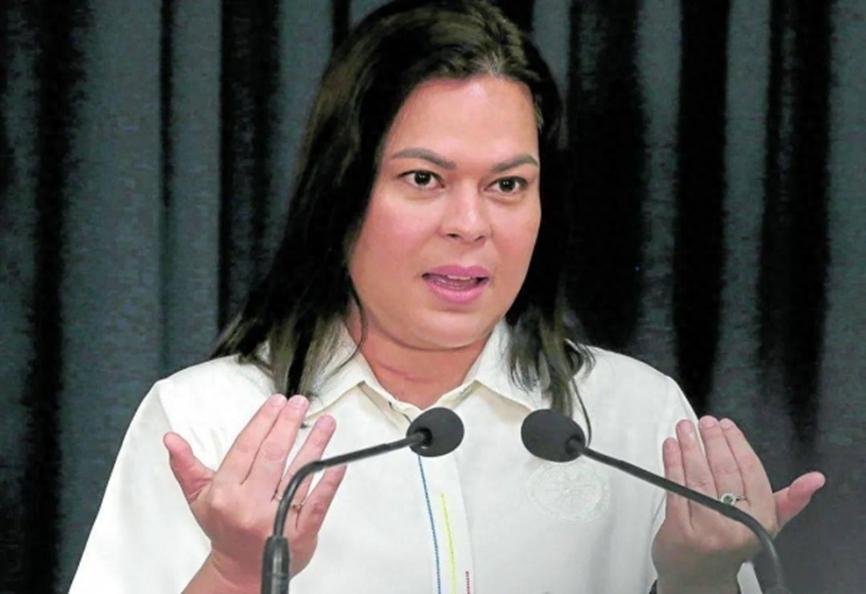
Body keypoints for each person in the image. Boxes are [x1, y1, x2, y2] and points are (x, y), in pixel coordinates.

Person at [69, 1, 825, 593]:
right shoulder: (208, 421)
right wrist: (236, 574)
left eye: (508, 185)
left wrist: (700, 582)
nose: (470, 224)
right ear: (343, 193)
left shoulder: (636, 421)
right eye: (424, 179)